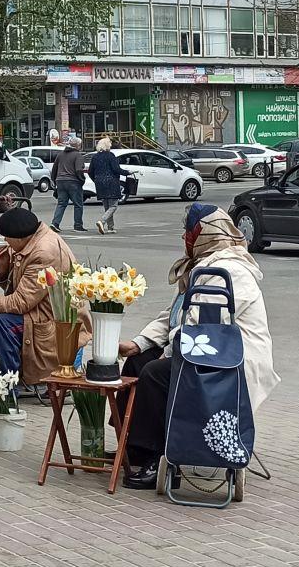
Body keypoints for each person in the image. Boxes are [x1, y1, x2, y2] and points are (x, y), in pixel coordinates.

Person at [114, 204, 278, 490]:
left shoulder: (230, 270)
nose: (184, 239)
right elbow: (174, 314)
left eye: (188, 233)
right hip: (203, 348)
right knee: (137, 364)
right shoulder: (201, 265)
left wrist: (166, 354)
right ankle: (135, 448)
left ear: (203, 235)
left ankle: (161, 456)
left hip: (230, 359)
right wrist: (139, 343)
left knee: (155, 373)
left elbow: (201, 327)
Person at [0, 206, 81, 395]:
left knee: (2, 322)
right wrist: (3, 268)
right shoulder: (28, 241)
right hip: (34, 311)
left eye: (7, 238)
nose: (5, 242)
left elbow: (19, 302)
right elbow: (17, 291)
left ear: (19, 238)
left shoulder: (43, 252)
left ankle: (5, 389)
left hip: (52, 320)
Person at [50, 135, 88, 233]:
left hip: (60, 181)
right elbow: (79, 169)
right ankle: (78, 225)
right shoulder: (78, 155)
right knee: (78, 204)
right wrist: (82, 180)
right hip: (73, 181)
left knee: (61, 204)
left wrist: (54, 181)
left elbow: (54, 169)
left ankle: (55, 223)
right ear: (78, 145)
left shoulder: (61, 154)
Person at [88, 138, 124, 234]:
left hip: (100, 183)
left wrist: (96, 180)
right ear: (107, 145)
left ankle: (110, 227)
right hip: (111, 182)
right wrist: (127, 172)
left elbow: (90, 171)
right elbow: (116, 169)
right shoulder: (111, 156)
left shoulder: (95, 157)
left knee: (107, 206)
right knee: (113, 206)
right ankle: (102, 221)